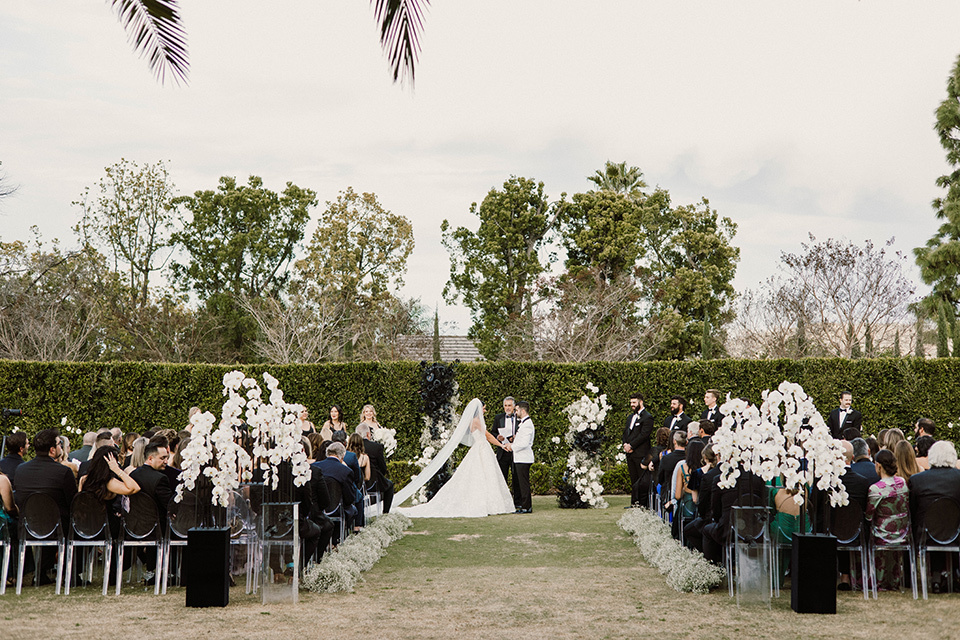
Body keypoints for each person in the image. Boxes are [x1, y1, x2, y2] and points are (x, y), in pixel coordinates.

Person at [398, 400, 515, 518]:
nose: (485, 410)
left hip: (480, 448)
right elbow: (488, 435)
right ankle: (488, 504)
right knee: (484, 475)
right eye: (483, 408)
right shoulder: (476, 421)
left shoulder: (473, 420)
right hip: (481, 448)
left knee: (482, 476)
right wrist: (501, 445)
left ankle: (489, 504)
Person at [14, 429, 78, 583]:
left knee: (47, 516)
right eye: (59, 444)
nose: (60, 447)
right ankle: (72, 573)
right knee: (76, 522)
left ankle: (42, 573)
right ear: (52, 449)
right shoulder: (63, 472)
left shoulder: (21, 470)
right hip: (58, 527)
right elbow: (73, 502)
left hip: (27, 525)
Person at [865, 449, 910, 590]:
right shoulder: (902, 482)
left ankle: (876, 579)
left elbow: (868, 516)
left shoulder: (875, 489)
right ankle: (893, 580)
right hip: (902, 533)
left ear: (878, 465)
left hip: (882, 534)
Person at [79, 446, 141, 537]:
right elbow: (135, 488)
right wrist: (117, 470)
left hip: (85, 526)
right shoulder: (108, 483)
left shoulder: (84, 479)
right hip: (106, 527)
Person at [314, 442, 360, 535]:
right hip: (337, 509)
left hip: (317, 509)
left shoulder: (315, 467)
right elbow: (349, 498)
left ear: (327, 453)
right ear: (343, 456)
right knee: (353, 510)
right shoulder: (346, 471)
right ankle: (339, 538)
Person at [622, 392, 655, 508]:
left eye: (634, 402)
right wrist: (625, 444)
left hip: (640, 453)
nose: (632, 405)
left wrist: (631, 445)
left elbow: (644, 435)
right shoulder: (630, 417)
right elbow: (625, 432)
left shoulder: (648, 417)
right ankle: (634, 503)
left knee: (641, 480)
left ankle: (643, 504)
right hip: (630, 454)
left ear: (641, 402)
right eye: (631, 402)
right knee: (633, 479)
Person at [356, 424, 394, 513]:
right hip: (373, 481)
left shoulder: (351, 448)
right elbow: (382, 466)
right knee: (389, 485)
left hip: (357, 482)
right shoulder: (376, 447)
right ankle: (385, 512)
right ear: (368, 434)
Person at [506, 400, 535, 514]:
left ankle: (526, 507)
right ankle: (523, 505)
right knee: (520, 483)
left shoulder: (527, 424)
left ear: (522, 411)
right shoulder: (523, 423)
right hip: (520, 458)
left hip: (524, 458)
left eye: (517, 410)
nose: (515, 412)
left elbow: (524, 443)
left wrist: (511, 446)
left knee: (523, 484)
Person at [491, 396, 518, 485]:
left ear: (514, 406)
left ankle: (517, 498)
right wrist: (498, 437)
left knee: (516, 478)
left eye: (509, 405)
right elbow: (493, 432)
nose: (507, 408)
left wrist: (515, 437)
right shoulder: (498, 418)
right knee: (502, 478)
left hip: (516, 451)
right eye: (505, 405)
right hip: (503, 451)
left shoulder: (519, 418)